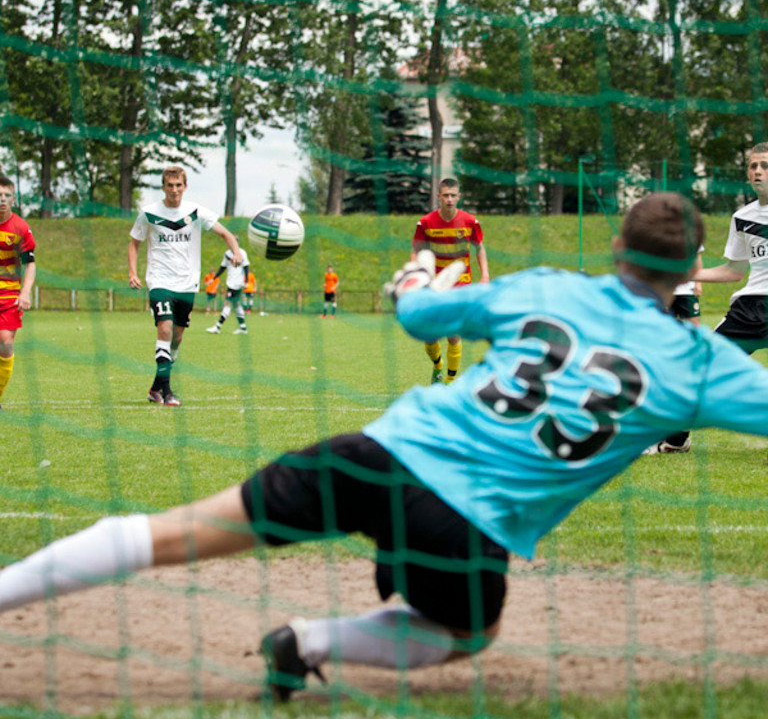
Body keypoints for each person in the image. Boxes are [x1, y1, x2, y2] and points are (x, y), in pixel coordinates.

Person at [5, 194, 768, 705]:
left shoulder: (550, 288)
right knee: (468, 635)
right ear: (694, 266)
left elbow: (421, 320)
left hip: (379, 452)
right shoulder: (702, 365)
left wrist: (411, 282)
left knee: (179, 532)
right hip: (465, 527)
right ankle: (308, 642)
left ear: (616, 248)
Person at [128, 166, 242, 406]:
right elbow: (134, 243)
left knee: (177, 338)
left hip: (187, 284)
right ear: (163, 187)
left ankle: (156, 387)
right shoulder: (148, 213)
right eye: (170, 185)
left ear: (185, 186)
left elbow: (226, 233)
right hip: (159, 280)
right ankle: (168, 391)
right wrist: (132, 272)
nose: (174, 190)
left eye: (178, 185)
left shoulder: (196, 212)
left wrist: (236, 253)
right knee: (165, 329)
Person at [411, 177, 489, 384]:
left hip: (461, 283)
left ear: (459, 197)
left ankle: (450, 381)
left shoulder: (470, 221)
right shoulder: (426, 222)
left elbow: (479, 248)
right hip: (435, 284)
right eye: (445, 195)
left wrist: (485, 276)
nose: (449, 199)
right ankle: (437, 366)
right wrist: (414, 275)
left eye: (453, 195)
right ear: (438, 196)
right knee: (430, 336)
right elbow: (416, 250)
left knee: (454, 334)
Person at [695, 141, 768, 354]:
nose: (758, 171)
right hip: (751, 310)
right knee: (705, 360)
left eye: (765, 166)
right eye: (753, 166)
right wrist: (687, 275)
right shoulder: (742, 218)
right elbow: (734, 271)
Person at [644, 247, 704, 455]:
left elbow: (697, 257)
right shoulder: (656, 227)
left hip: (685, 291)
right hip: (664, 291)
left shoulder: (690, 227)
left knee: (695, 340)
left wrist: (698, 281)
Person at [0, 176, 36, 411]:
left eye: (6, 196)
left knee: (5, 342)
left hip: (9, 296)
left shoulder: (20, 227)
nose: (1, 200)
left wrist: (25, 292)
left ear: (13, 198)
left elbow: (30, 263)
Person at [205, 244, 252, 335]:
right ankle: (243, 328)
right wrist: (213, 279)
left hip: (235, 284)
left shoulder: (242, 253)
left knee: (227, 303)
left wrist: (246, 281)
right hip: (232, 283)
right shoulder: (227, 254)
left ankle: (218, 327)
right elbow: (222, 268)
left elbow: (246, 267)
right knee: (236, 305)